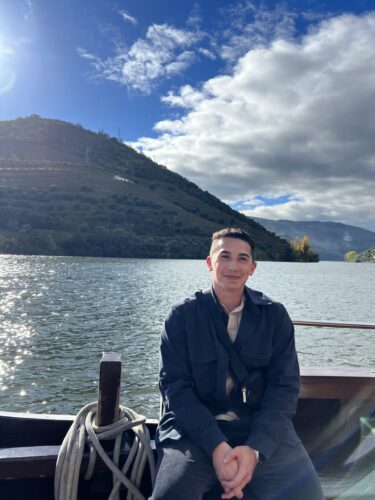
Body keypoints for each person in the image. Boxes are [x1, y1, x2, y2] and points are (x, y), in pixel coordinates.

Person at [151, 228, 324, 500]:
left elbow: (284, 389)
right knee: (172, 494)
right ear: (209, 263)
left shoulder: (274, 317)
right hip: (194, 432)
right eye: (225, 256)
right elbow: (175, 389)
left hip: (258, 429)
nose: (233, 266)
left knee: (307, 494)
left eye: (243, 258)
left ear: (253, 268)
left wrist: (255, 450)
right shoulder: (181, 317)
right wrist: (216, 446)